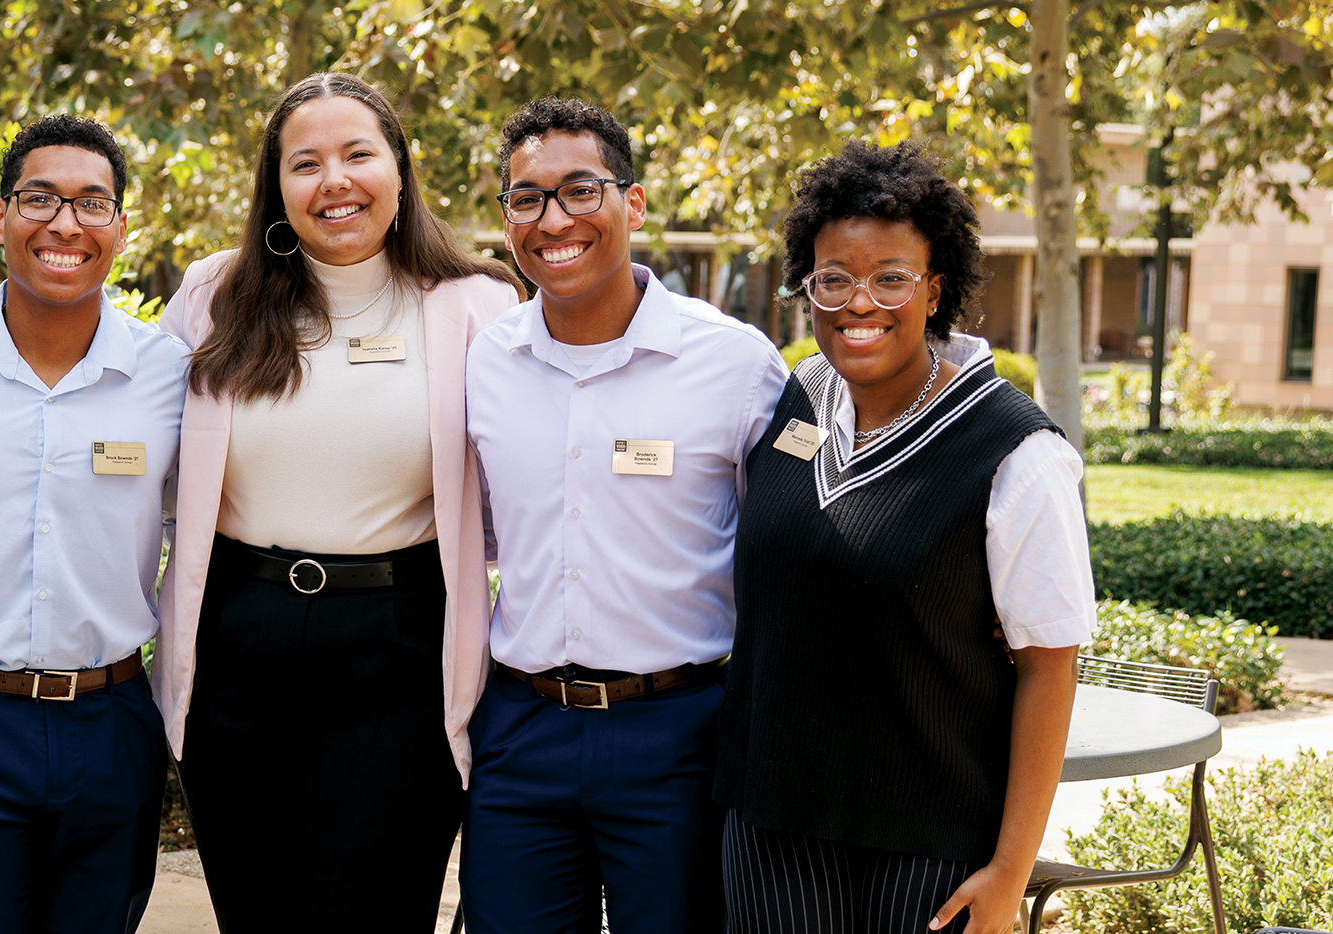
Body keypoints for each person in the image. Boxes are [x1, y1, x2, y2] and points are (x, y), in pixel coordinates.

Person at [154, 72, 522, 932]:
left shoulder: (478, 305)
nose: (335, 181)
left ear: (399, 167)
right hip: (237, 641)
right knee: (259, 910)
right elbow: (147, 466)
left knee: (377, 910)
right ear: (276, 186)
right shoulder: (213, 297)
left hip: (399, 644)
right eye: (305, 162)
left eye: (358, 154)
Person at [713, 141, 1087, 934]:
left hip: (933, 842)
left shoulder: (1017, 452)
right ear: (806, 286)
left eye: (890, 278)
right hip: (772, 818)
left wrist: (1010, 871)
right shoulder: (798, 399)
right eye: (833, 279)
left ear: (934, 289)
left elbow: (1050, 668)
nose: (859, 303)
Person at [460, 98, 788, 934]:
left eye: (580, 190)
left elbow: (784, 549)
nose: (553, 219)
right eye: (526, 199)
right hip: (521, 729)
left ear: (632, 203)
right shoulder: (486, 361)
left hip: (677, 734)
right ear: (507, 221)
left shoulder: (734, 363)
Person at [0, 115, 189, 934]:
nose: (65, 224)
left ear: (121, 229)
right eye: (40, 199)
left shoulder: (168, 374)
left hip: (111, 720)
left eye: (93, 203)